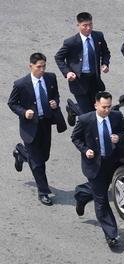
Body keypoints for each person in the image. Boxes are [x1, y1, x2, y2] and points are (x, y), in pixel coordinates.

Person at [8, 52, 66, 206]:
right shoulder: (21, 84)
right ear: (31, 66)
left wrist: (55, 102)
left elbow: (56, 95)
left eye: (44, 66)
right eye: (39, 67)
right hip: (29, 126)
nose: (42, 69)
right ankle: (43, 192)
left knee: (43, 157)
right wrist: (24, 112)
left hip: (45, 123)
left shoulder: (50, 78)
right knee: (38, 163)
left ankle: (20, 152)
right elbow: (12, 103)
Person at [71, 91, 124, 248]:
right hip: (93, 164)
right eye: (104, 107)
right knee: (101, 200)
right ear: (96, 105)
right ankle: (111, 234)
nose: (107, 110)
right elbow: (75, 138)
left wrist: (119, 137)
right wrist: (85, 150)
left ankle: (81, 195)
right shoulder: (85, 120)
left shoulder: (116, 117)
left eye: (109, 107)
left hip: (110, 162)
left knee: (99, 190)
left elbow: (123, 132)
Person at [55, 12, 111, 114]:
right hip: (79, 81)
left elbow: (106, 52)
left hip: (94, 79)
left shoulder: (98, 36)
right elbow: (58, 57)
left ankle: (73, 109)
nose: (88, 28)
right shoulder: (71, 42)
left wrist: (105, 64)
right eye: (85, 25)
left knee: (96, 109)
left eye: (90, 24)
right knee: (87, 114)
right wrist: (67, 72)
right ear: (78, 25)